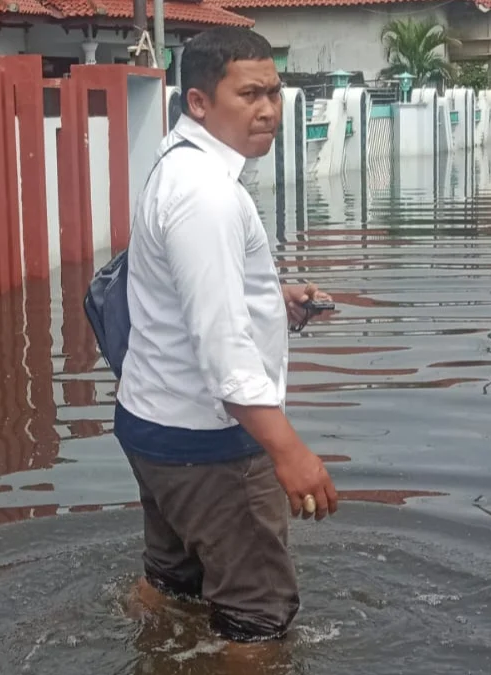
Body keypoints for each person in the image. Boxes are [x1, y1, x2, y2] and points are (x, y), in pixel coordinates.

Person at [113, 26, 338, 644]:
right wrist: (289, 453)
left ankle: (150, 653)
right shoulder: (207, 195)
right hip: (209, 444)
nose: (268, 109)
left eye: (274, 92)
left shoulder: (180, 164)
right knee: (258, 616)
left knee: (173, 585)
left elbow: (181, 293)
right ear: (199, 102)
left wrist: (272, 298)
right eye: (249, 95)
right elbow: (223, 352)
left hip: (154, 424)